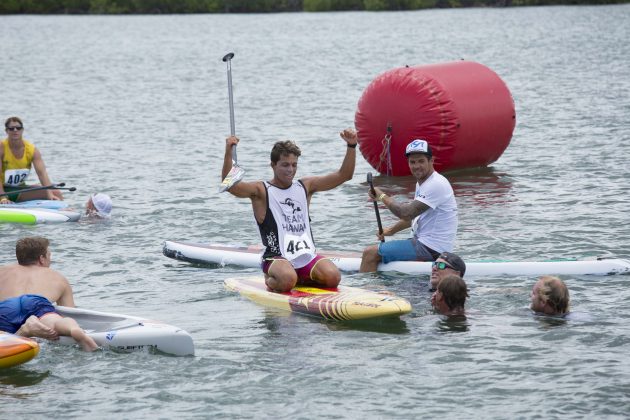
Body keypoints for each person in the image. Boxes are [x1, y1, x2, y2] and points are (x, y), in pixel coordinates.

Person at [222, 129, 358, 293]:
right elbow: (230, 186)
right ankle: (272, 279)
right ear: (273, 165)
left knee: (333, 277)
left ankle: (300, 277)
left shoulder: (305, 186)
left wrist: (351, 146)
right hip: (275, 257)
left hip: (305, 256)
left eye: (294, 165)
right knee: (287, 279)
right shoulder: (261, 190)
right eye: (285, 165)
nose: (290, 170)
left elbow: (344, 175)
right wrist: (229, 152)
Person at [359, 139, 458, 272]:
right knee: (382, 254)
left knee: (369, 254)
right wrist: (391, 231)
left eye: (421, 161)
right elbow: (414, 217)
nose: (417, 166)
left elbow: (406, 213)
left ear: (431, 161)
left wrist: (381, 196)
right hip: (429, 245)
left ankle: (366, 291)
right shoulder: (424, 183)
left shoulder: (436, 184)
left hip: (430, 248)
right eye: (413, 162)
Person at [0, 236, 98, 351]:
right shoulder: (58, 277)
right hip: (36, 302)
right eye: (49, 256)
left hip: (6, 307)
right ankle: (73, 330)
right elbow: (70, 312)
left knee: (3, 334)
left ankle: (23, 331)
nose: (50, 260)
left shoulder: (2, 271)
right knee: (57, 321)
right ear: (42, 258)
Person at [0, 116, 63, 203]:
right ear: (6, 131)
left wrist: (49, 194)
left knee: (55, 192)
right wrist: (3, 198)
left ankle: (67, 212)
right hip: (3, 189)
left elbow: (42, 174)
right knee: (46, 192)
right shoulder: (2, 148)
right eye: (11, 128)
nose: (15, 130)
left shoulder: (32, 150)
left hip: (19, 188)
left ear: (22, 130)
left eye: (18, 128)